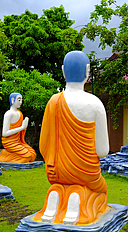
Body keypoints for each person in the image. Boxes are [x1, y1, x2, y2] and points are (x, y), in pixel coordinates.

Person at [33, 51, 109, 225]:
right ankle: (78, 196)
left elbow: (43, 146)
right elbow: (103, 151)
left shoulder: (53, 101)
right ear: (88, 72)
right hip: (86, 172)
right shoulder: (95, 104)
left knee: (60, 185)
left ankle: (57, 193)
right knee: (102, 190)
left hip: (56, 172)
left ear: (63, 71)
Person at [0, 93, 36, 163]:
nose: (21, 102)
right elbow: (5, 133)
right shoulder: (8, 114)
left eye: (21, 100)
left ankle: (7, 154)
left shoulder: (20, 113)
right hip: (9, 142)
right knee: (27, 156)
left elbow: (20, 133)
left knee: (32, 154)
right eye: (19, 100)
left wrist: (24, 127)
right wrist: (22, 127)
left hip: (17, 141)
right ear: (12, 100)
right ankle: (5, 156)